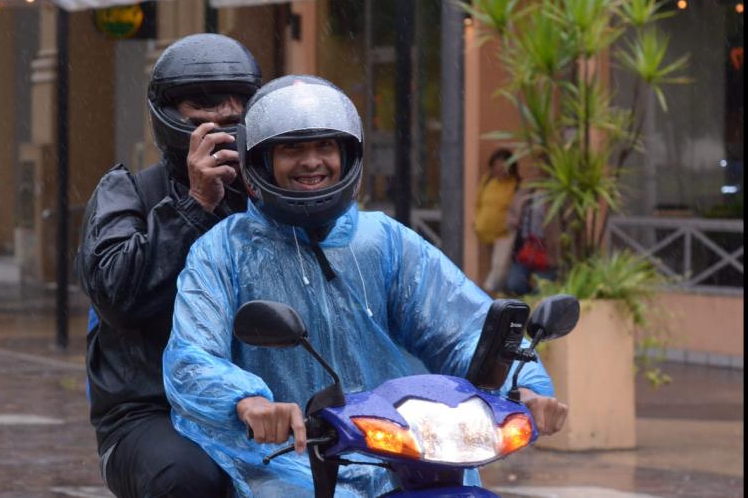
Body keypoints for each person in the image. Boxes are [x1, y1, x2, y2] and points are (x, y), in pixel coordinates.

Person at [162, 75, 568, 497]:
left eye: (325, 146)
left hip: (407, 453)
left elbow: (463, 326)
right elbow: (191, 355)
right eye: (292, 149)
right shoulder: (224, 249)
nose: (312, 161)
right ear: (260, 162)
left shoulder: (384, 240)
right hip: (287, 458)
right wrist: (248, 402)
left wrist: (524, 387)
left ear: (347, 155)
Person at [74, 33, 261, 498]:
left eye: (232, 120)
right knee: (187, 477)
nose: (219, 132)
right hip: (149, 410)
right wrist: (194, 206)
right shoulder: (126, 194)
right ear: (169, 118)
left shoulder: (268, 196)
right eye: (201, 121)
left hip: (266, 400)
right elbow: (121, 296)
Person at [473, 148, 521, 295]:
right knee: (493, 268)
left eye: (503, 167)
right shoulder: (488, 180)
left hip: (504, 235)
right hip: (486, 234)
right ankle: (495, 299)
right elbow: (478, 203)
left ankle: (488, 298)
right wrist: (476, 222)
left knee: (499, 269)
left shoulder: (516, 185)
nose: (499, 171)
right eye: (496, 167)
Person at [504, 181, 561, 296]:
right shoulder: (525, 192)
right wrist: (514, 222)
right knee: (515, 284)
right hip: (524, 250)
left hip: (547, 252)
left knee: (542, 289)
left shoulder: (555, 196)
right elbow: (511, 216)